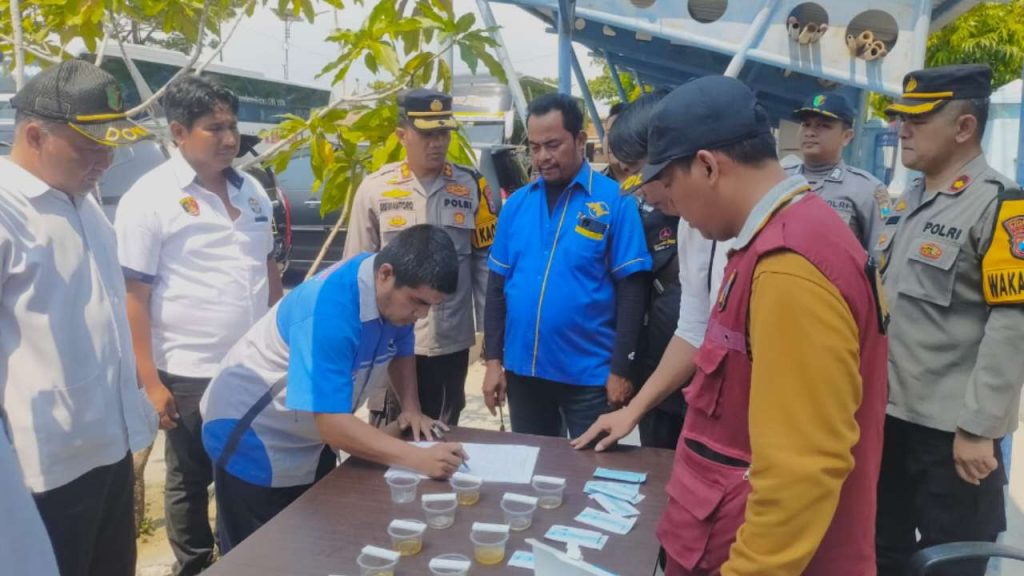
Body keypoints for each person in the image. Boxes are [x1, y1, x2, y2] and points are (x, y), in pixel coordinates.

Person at [641, 76, 889, 575]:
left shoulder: (789, 265)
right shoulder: (777, 241)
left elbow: (800, 472)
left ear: (709, 166)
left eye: (670, 186)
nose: (676, 212)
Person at [201, 224, 469, 553]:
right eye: (417, 303)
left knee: (314, 546)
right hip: (253, 436)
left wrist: (411, 408)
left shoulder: (391, 296)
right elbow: (332, 424)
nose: (421, 315)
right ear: (386, 273)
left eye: (430, 306)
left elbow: (401, 348)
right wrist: (418, 459)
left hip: (307, 435)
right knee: (261, 557)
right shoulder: (330, 310)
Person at [115, 75, 283, 576]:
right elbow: (133, 296)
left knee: (248, 467)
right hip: (187, 370)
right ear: (178, 132)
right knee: (189, 478)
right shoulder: (148, 199)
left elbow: (268, 272)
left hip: (254, 365)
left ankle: (243, 560)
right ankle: (192, 565)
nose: (230, 139)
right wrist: (149, 381)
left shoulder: (251, 190)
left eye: (232, 126)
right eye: (215, 128)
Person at [0, 59, 158, 576]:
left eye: (111, 146)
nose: (106, 162)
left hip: (108, 447)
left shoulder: (83, 203)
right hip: (44, 465)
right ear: (34, 136)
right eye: (91, 148)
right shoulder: (7, 209)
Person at [875, 64, 1024, 576]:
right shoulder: (903, 201)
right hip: (889, 418)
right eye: (900, 118)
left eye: (918, 119)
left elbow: (1013, 325)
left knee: (955, 561)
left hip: (953, 435)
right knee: (883, 551)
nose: (902, 128)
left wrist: (980, 428)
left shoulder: (1003, 206)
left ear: (964, 128)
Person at [481, 93, 652, 438]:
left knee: (593, 473)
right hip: (523, 372)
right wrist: (493, 362)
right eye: (534, 147)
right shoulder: (516, 206)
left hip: (589, 376)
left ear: (578, 139)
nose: (543, 157)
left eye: (553, 145)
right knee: (531, 468)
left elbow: (633, 291)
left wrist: (621, 369)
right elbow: (497, 287)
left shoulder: (614, 202)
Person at [344, 88, 495, 427]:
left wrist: (490, 339)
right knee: (388, 434)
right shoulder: (375, 189)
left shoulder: (471, 186)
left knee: (442, 431)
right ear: (402, 135)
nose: (437, 143)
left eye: (443, 133)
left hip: (448, 343)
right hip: (389, 340)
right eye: (427, 134)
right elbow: (356, 269)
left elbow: (484, 266)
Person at [603, 91, 686, 450]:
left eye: (643, 174)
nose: (646, 194)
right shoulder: (644, 213)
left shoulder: (732, 231)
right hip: (659, 366)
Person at [786, 92, 889, 251]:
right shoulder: (779, 179)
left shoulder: (866, 190)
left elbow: (879, 256)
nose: (810, 132)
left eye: (823, 125)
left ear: (846, 136)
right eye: (806, 124)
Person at [602, 101, 628, 182]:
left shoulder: (653, 184)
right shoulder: (592, 185)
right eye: (608, 133)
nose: (611, 139)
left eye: (619, 133)